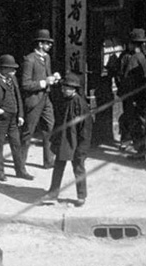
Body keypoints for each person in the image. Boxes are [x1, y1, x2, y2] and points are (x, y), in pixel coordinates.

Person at [41, 72, 92, 207]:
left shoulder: (81, 104)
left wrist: (82, 147)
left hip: (77, 142)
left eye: (66, 88)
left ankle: (81, 196)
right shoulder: (64, 100)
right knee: (58, 167)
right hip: (64, 140)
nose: (63, 90)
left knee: (78, 168)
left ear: (74, 89)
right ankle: (53, 193)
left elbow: (85, 129)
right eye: (63, 87)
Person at [0, 54, 31, 182]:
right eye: (11, 69)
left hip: (13, 118)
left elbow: (18, 97)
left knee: (16, 144)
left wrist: (20, 115)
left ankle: (20, 170)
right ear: (3, 69)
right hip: (0, 119)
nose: (14, 71)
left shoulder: (13, 80)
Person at [19, 29, 60, 171]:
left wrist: (54, 78)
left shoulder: (46, 58)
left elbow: (47, 76)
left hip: (46, 98)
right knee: (28, 132)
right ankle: (20, 164)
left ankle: (49, 161)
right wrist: (44, 82)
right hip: (34, 100)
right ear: (40, 44)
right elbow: (25, 84)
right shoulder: (29, 60)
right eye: (47, 43)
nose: (50, 45)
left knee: (50, 127)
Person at [121, 28, 146, 160]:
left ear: (133, 44)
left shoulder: (134, 58)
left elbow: (128, 79)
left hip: (134, 96)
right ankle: (143, 148)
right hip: (142, 94)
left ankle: (140, 151)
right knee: (141, 121)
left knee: (135, 123)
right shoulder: (144, 57)